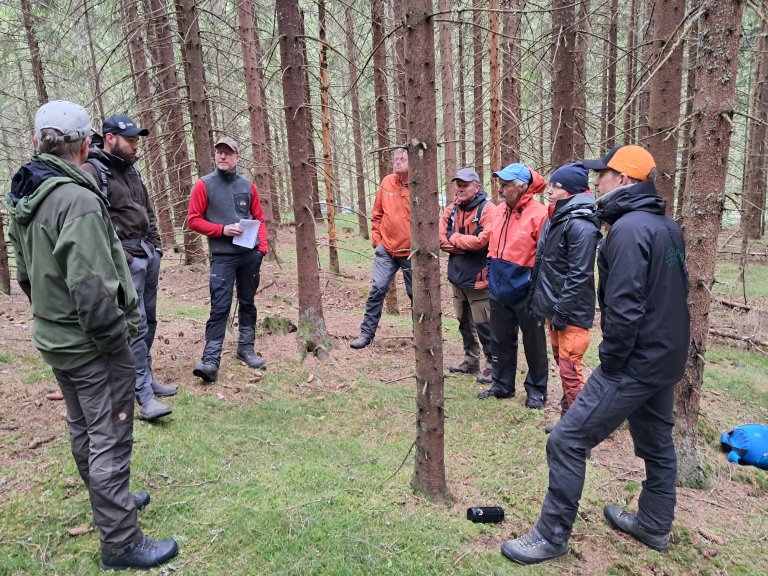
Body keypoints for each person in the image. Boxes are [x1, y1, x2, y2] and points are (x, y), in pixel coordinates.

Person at [7, 100, 178, 570]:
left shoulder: (29, 192)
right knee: (109, 434)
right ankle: (121, 543)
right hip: (91, 344)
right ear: (86, 143)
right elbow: (91, 287)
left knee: (83, 426)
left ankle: (112, 503)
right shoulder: (76, 199)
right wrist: (115, 343)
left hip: (57, 337)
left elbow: (25, 274)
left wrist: (52, 316)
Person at [501, 145, 690, 565]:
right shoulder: (667, 228)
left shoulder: (626, 231)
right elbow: (679, 289)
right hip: (666, 358)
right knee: (658, 445)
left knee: (567, 440)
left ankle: (551, 536)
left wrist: (613, 361)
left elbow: (625, 306)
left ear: (623, 180)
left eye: (602, 175)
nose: (596, 182)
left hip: (635, 362)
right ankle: (654, 525)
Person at [81, 114, 175, 423]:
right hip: (126, 260)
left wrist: (156, 247)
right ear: (110, 138)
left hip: (147, 255)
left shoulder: (131, 171)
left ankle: (145, 378)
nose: (135, 146)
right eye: (130, 140)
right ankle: (142, 395)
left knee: (149, 319)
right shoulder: (93, 171)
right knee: (132, 326)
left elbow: (147, 209)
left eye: (136, 140)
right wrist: (124, 257)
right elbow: (95, 222)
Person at [188, 136, 268, 382]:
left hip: (249, 256)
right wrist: (222, 230)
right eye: (219, 153)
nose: (222, 157)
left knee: (247, 302)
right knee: (219, 307)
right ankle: (211, 361)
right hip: (222, 258)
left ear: (236, 158)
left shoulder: (247, 185)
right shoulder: (204, 185)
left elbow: (259, 218)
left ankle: (246, 348)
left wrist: (261, 250)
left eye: (227, 153)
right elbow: (193, 220)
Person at [529, 163, 600, 426]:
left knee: (571, 370)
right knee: (563, 365)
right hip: (555, 309)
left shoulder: (581, 224)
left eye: (556, 186)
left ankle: (581, 430)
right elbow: (545, 266)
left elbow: (579, 274)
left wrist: (561, 311)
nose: (550, 190)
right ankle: (568, 422)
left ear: (569, 190)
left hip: (571, 312)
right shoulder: (556, 217)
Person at [479, 163, 549, 409]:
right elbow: (490, 243)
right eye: (500, 183)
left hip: (527, 290)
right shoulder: (498, 212)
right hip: (498, 286)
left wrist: (537, 288)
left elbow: (546, 257)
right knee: (501, 340)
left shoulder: (539, 214)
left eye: (506, 184)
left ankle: (537, 391)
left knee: (534, 343)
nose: (501, 188)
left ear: (522, 187)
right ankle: (502, 385)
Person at [350, 148, 411, 349]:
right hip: (387, 249)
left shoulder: (419, 185)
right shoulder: (387, 182)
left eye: (403, 158)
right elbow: (377, 214)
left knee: (416, 295)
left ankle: (422, 336)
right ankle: (366, 334)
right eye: (396, 158)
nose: (398, 161)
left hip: (411, 252)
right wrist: (377, 240)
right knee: (377, 288)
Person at [438, 167, 496, 377]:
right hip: (457, 276)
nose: (460, 189)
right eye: (458, 185)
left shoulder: (488, 209)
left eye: (465, 185)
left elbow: (482, 242)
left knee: (485, 326)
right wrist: (461, 245)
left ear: (477, 187)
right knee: (464, 324)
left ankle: (492, 366)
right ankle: (471, 362)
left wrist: (454, 239)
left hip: (479, 280)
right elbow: (440, 238)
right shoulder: (453, 208)